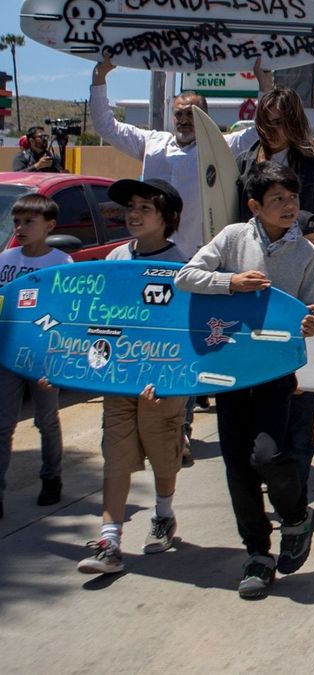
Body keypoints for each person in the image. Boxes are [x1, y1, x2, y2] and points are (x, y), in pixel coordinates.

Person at [176, 161, 314, 599]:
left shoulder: (306, 254)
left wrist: (311, 325)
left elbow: (312, 312)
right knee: (237, 463)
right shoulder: (232, 239)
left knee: (267, 453)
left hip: (276, 369)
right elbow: (186, 277)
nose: (288, 206)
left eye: (293, 198)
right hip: (229, 370)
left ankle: (296, 517)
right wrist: (230, 282)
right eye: (277, 199)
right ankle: (258, 554)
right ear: (255, 206)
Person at [76, 179, 189, 574]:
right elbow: (98, 321)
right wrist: (69, 365)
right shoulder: (115, 259)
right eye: (130, 208)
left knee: (162, 453)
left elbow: (185, 333)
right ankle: (109, 540)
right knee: (117, 455)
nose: (133, 215)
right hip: (118, 378)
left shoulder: (183, 264)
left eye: (145, 208)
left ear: (167, 218)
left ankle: (163, 514)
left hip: (161, 382)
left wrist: (173, 381)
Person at [234, 87, 314, 501]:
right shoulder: (245, 161)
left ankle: (296, 484)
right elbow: (233, 221)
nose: (270, 130)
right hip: (251, 289)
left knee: (299, 392)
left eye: (278, 122)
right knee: (256, 392)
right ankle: (266, 471)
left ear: (293, 122)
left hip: (298, 288)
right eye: (264, 121)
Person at [90, 55, 271, 257]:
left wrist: (264, 88)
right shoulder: (152, 143)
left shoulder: (219, 147)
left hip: (198, 258)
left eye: (191, 114)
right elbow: (105, 127)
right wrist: (99, 78)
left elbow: (260, 131)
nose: (183, 120)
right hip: (153, 254)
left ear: (205, 117)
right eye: (178, 114)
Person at [0, 195, 70, 520]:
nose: (21, 228)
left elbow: (65, 312)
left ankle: (51, 476)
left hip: (44, 355)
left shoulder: (60, 263)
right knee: (3, 425)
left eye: (29, 222)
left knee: (46, 419)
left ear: (49, 226)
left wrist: (52, 346)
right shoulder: (6, 259)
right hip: (8, 353)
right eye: (17, 221)